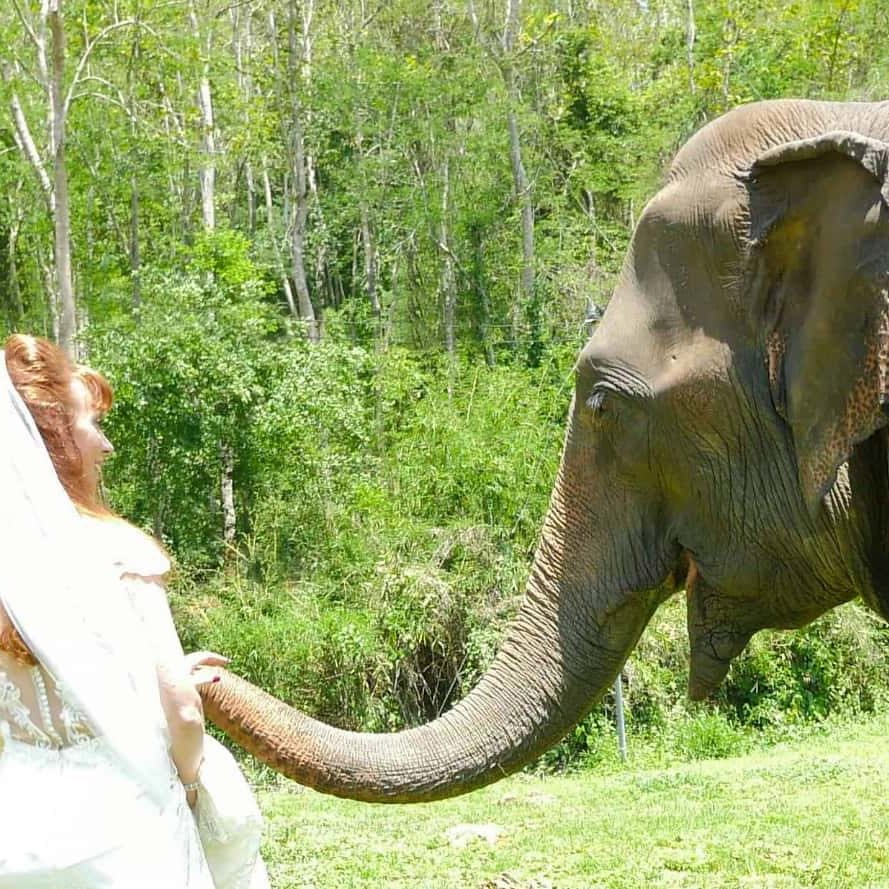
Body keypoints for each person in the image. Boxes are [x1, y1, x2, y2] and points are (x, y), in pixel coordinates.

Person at [2, 334, 269, 889]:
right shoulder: (117, 551)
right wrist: (193, 785)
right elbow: (183, 711)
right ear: (54, 440)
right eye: (91, 426)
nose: (106, 447)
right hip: (123, 826)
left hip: (18, 828)